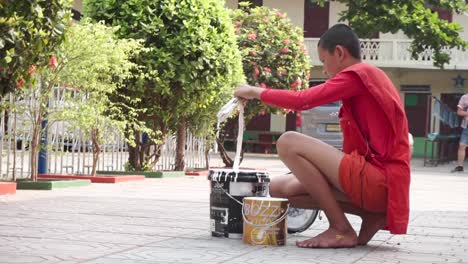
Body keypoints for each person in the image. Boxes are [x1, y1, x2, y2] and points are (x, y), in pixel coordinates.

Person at [234, 24, 411, 248]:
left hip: (381, 181)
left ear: (339, 53)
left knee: (288, 142)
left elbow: (302, 100)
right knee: (279, 188)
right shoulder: (367, 78)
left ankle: (340, 228)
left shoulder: (360, 74)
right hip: (375, 182)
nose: (325, 70)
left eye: (324, 61)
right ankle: (371, 215)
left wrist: (253, 91)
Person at [451, 93, 468, 173]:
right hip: (466, 126)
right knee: (462, 146)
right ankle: (460, 166)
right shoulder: (465, 97)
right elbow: (459, 112)